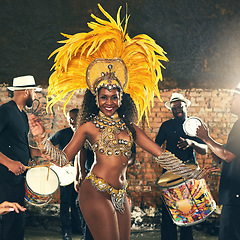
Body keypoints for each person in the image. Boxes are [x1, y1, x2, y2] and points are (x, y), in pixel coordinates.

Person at [28, 5, 212, 240]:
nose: (109, 102)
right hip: (95, 190)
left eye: (114, 97)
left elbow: (160, 154)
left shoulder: (130, 128)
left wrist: (189, 172)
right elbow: (64, 158)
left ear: (121, 98)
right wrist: (41, 138)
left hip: (121, 194)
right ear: (95, 99)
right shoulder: (88, 126)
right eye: (103, 97)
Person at [155, 92, 208, 240]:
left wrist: (191, 143)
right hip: (170, 175)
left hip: (188, 174)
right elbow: (155, 146)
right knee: (169, 214)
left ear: (186, 106)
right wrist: (162, 156)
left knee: (188, 213)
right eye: (174, 108)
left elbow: (204, 150)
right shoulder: (166, 126)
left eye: (180, 106)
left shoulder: (195, 125)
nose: (177, 110)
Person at [0, 75, 42, 240]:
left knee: (18, 219)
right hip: (4, 177)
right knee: (11, 221)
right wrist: (9, 163)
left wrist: (42, 152)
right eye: (34, 92)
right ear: (26, 91)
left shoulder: (23, 115)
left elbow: (21, 145)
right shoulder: (5, 111)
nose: (35, 96)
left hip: (17, 178)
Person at [196, 83, 240, 240]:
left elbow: (228, 155)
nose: (230, 101)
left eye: (234, 97)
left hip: (236, 195)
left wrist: (206, 138)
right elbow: (227, 154)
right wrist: (211, 148)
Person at [49, 108, 83, 240]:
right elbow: (48, 145)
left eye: (74, 118)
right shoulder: (63, 133)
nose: (72, 121)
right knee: (65, 203)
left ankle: (76, 227)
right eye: (70, 119)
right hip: (66, 175)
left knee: (77, 202)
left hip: (79, 174)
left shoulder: (85, 134)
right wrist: (56, 159)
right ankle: (65, 231)